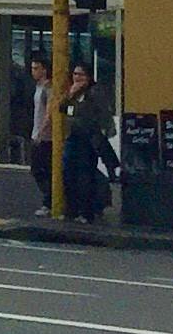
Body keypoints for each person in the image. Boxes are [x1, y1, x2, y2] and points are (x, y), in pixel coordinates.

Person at [60, 65, 110, 223]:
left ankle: (86, 212)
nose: (77, 78)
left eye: (81, 75)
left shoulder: (94, 93)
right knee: (68, 174)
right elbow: (63, 108)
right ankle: (71, 210)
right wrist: (70, 96)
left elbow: (89, 114)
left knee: (85, 176)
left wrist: (73, 108)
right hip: (73, 137)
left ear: (88, 77)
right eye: (75, 74)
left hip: (88, 140)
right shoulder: (74, 93)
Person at [24, 54, 55, 213]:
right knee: (38, 169)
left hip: (45, 137)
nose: (33, 72)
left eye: (36, 68)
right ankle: (49, 199)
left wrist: (41, 132)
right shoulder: (37, 87)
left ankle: (49, 201)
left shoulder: (48, 88)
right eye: (32, 68)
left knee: (41, 169)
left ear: (44, 70)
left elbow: (48, 113)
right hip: (37, 132)